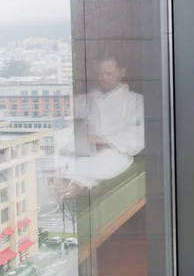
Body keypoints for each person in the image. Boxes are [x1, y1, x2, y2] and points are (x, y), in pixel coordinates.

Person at [54, 53, 144, 198]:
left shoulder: (135, 101)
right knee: (64, 155)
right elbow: (69, 124)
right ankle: (62, 185)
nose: (103, 78)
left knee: (106, 159)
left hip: (115, 151)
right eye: (100, 73)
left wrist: (104, 140)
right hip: (84, 149)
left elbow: (139, 134)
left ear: (122, 72)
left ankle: (76, 184)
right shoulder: (86, 99)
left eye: (108, 73)